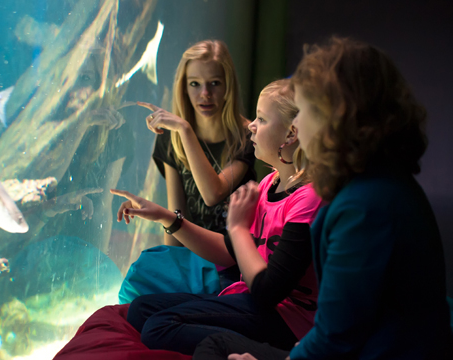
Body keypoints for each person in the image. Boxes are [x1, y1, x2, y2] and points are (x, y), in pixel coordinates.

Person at [193, 37, 453, 360]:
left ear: (337, 117)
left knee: (213, 349)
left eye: (303, 112)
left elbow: (336, 340)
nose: (297, 126)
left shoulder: (362, 208)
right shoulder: (381, 185)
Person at [111, 78, 323, 355]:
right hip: (254, 302)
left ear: (290, 135)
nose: (251, 125)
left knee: (159, 326)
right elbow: (229, 253)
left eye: (261, 119)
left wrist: (237, 228)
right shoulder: (269, 183)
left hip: (288, 321)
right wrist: (166, 217)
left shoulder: (309, 198)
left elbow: (268, 293)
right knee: (141, 309)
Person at [118, 40, 256, 303]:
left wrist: (185, 130)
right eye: (194, 84)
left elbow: (213, 193)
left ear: (228, 85)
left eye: (214, 83)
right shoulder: (170, 138)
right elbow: (177, 213)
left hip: (231, 258)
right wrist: (172, 272)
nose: (205, 94)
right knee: (139, 291)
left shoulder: (247, 136)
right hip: (191, 255)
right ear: (184, 87)